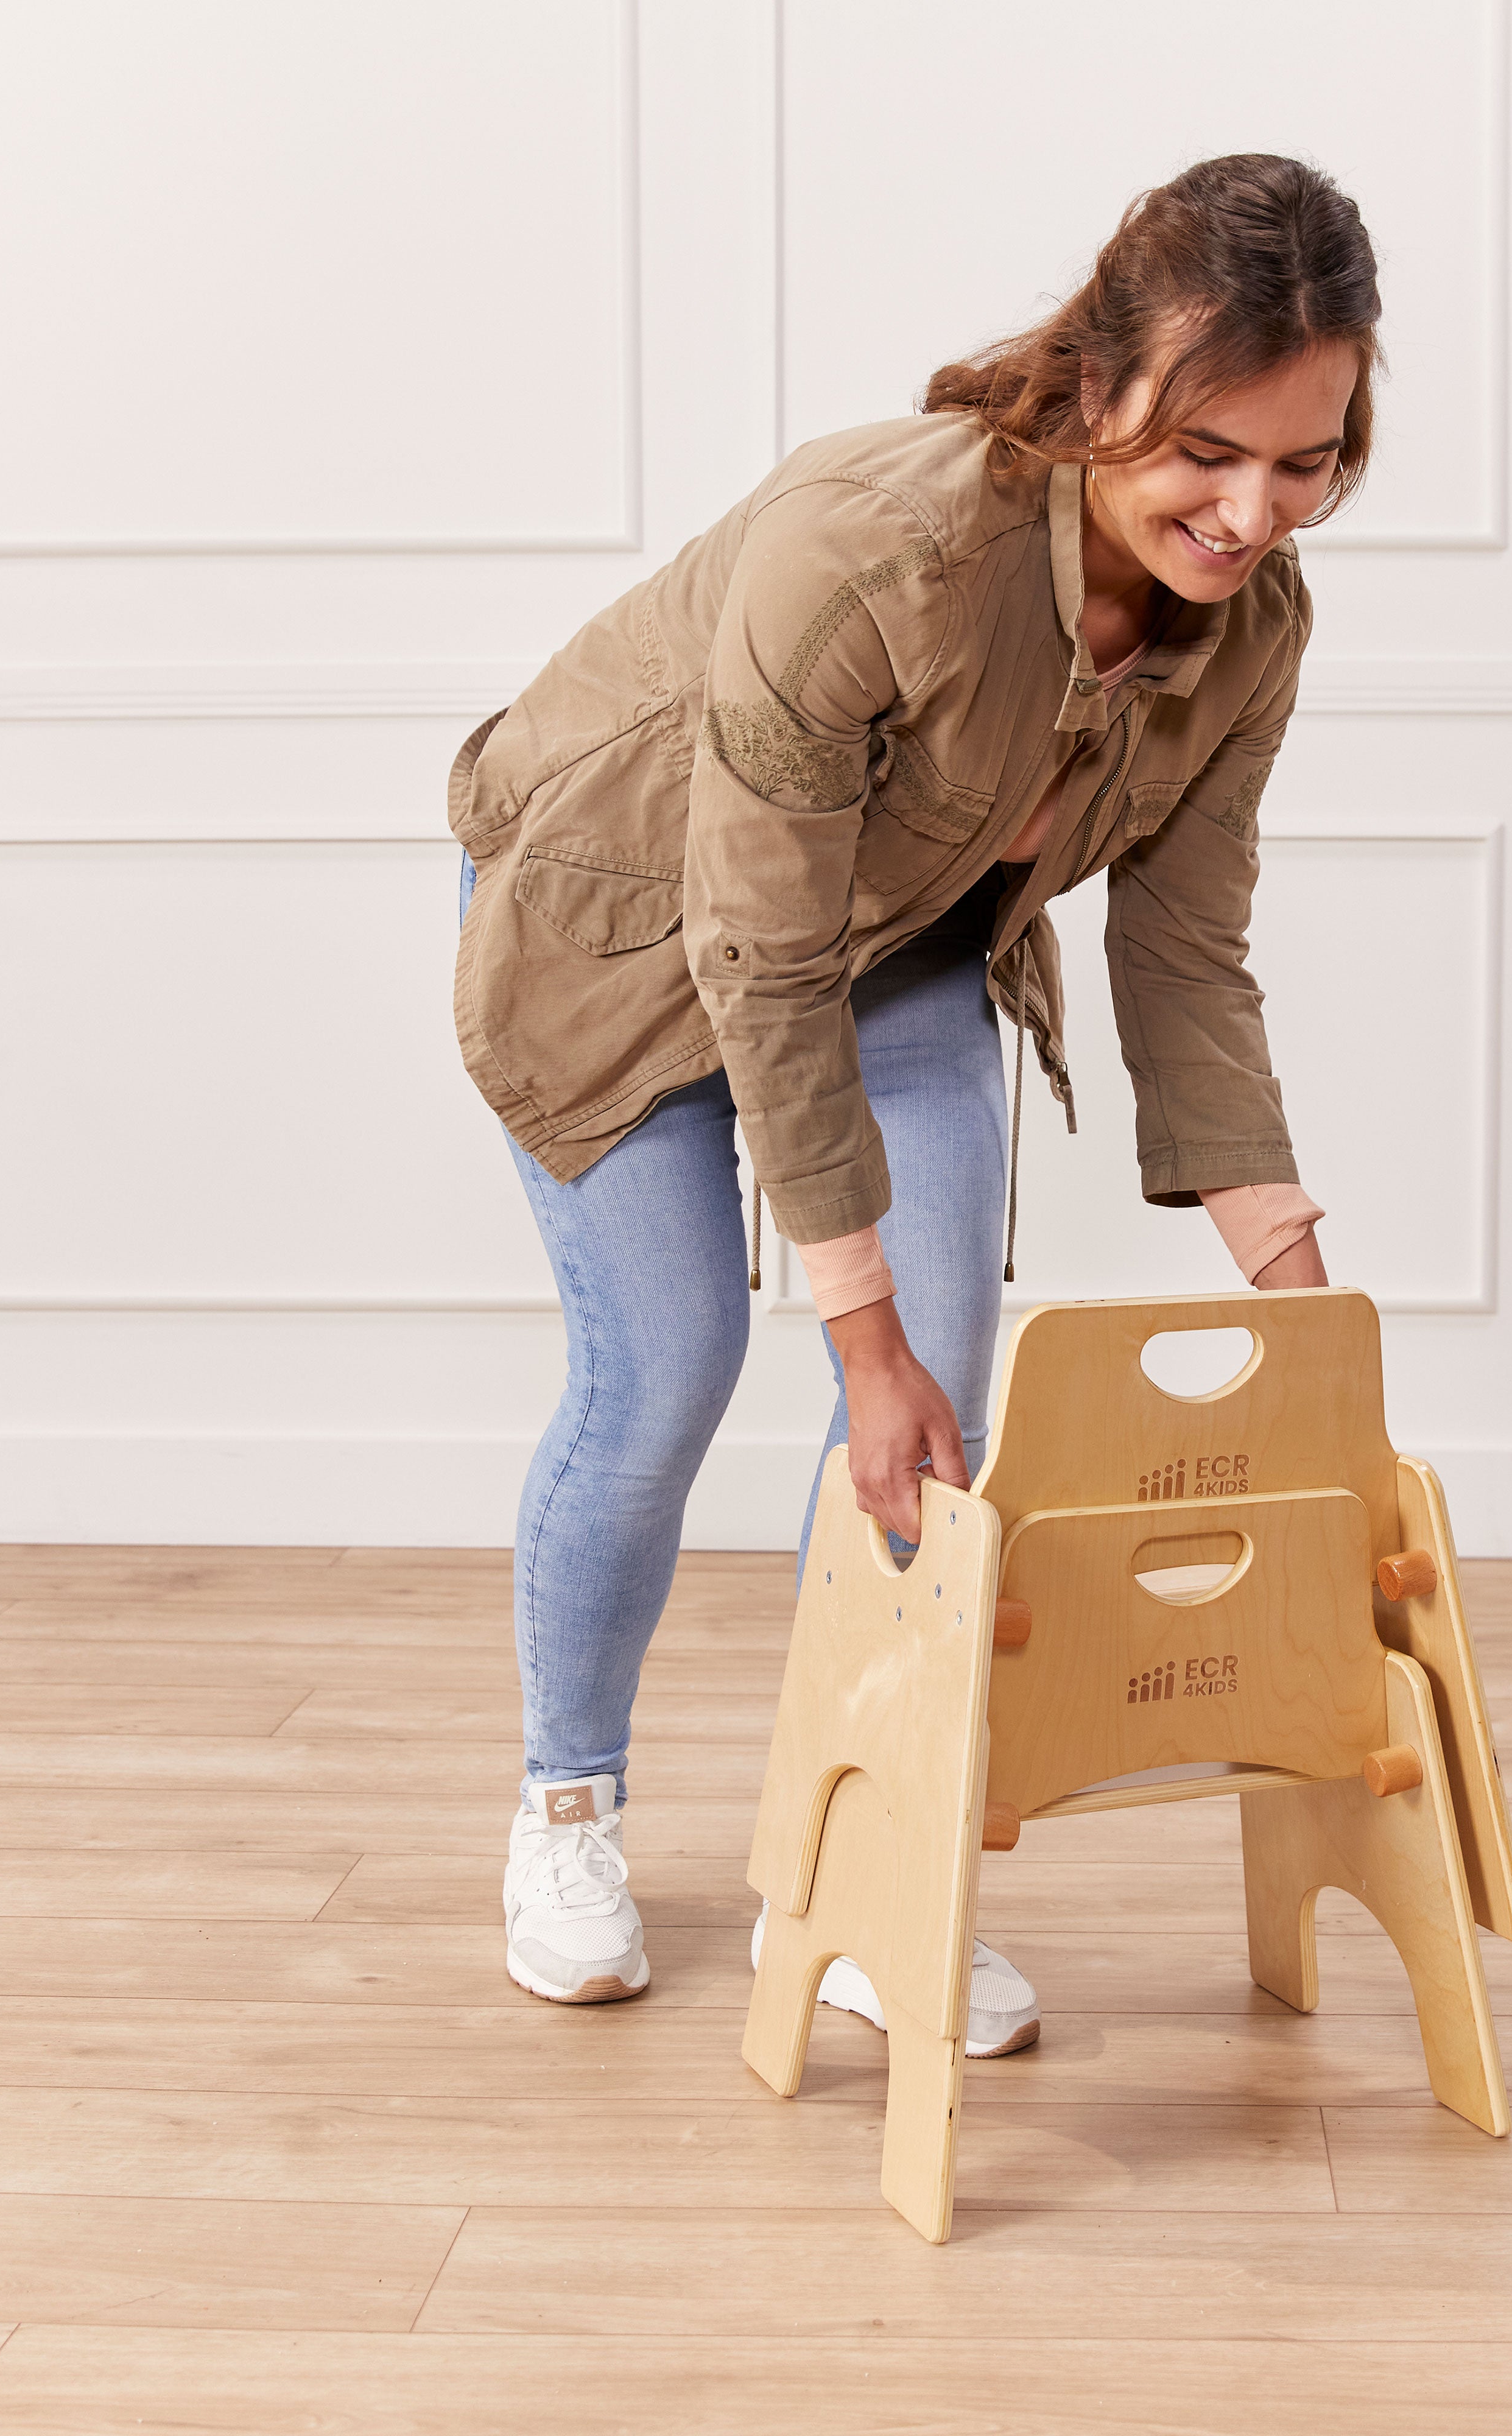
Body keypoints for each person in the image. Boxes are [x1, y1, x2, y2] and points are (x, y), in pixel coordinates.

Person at [452, 152, 1384, 2052]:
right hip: (625, 929)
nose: (1252, 515)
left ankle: (855, 1866)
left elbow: (1186, 955)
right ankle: (567, 1812)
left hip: (906, 951)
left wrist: (1303, 1308)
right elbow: (759, 949)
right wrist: (855, 1331)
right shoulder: (870, 548)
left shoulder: (1253, 628)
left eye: (1309, 463)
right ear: (1100, 380)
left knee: (938, 1424)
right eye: (1210, 452)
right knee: (669, 1373)